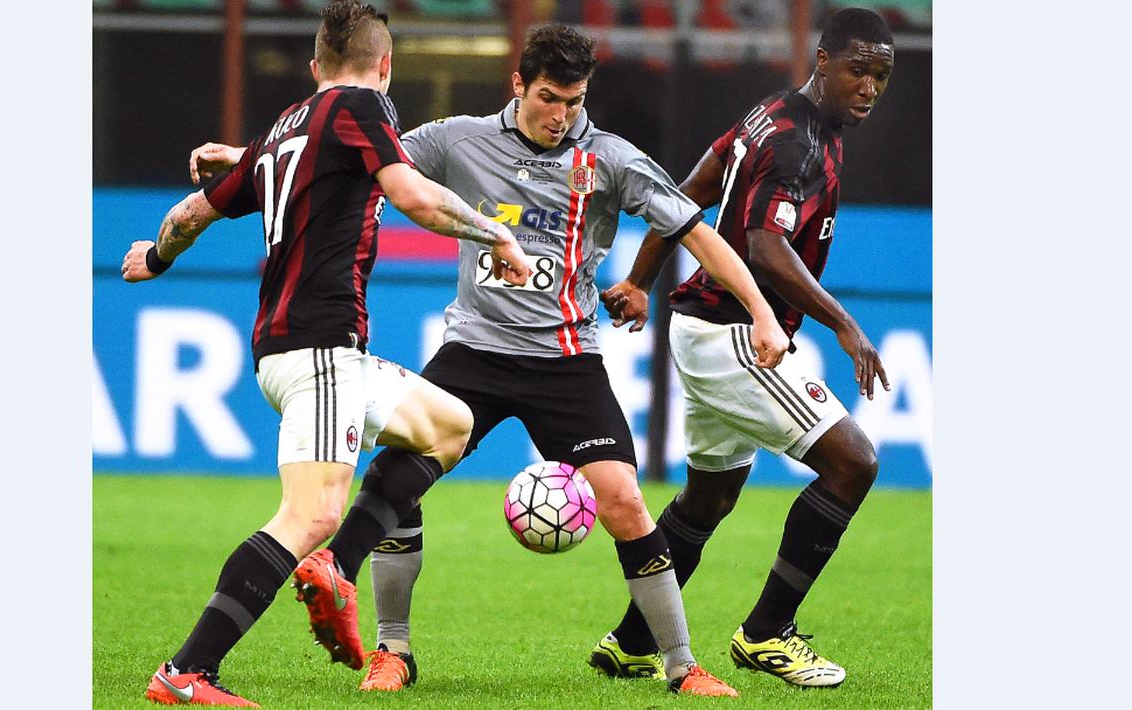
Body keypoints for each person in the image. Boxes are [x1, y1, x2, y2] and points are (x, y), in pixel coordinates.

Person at [193, 23, 788, 699]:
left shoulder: (612, 158)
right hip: (474, 349)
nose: (560, 114)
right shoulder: (457, 137)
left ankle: (681, 665)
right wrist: (249, 157)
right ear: (517, 84)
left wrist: (761, 312)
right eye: (547, 97)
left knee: (623, 500)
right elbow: (345, 155)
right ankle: (392, 650)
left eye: (573, 100)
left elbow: (696, 232)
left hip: (565, 358)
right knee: (395, 476)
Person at [122, 2, 532, 705]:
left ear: (314, 66)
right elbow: (416, 198)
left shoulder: (288, 125)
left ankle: (338, 570)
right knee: (310, 513)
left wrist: (156, 259)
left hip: (311, 349)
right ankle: (186, 672)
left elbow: (190, 213)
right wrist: (494, 234)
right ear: (386, 66)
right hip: (316, 347)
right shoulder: (362, 108)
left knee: (449, 424)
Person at [597, 7, 895, 688]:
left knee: (707, 499)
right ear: (822, 61)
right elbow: (764, 246)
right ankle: (766, 634)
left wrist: (641, 278)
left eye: (880, 74)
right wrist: (843, 324)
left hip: (703, 329)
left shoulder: (775, 114)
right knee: (852, 464)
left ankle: (632, 641)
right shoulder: (797, 143)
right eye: (858, 68)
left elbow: (692, 188)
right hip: (736, 336)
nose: (869, 86)